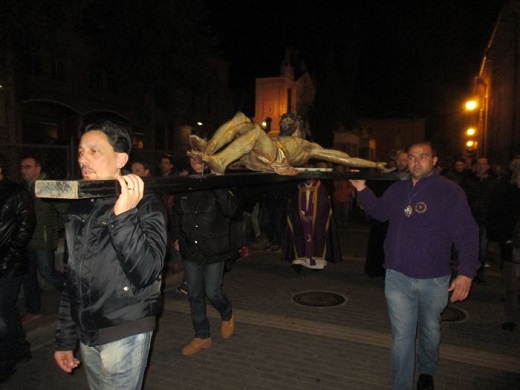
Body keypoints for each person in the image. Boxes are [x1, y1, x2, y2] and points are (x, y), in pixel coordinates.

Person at [349, 142, 479, 390]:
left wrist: (466, 273)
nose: (416, 162)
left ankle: (427, 370)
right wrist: (362, 189)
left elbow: (467, 233)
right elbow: (380, 212)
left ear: (434, 160)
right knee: (402, 337)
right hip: (397, 276)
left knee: (430, 330)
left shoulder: (450, 192)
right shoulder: (399, 189)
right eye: (411, 157)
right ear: (406, 161)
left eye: (423, 157)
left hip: (434, 278)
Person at [53, 119, 168, 389]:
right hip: (88, 330)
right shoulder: (80, 205)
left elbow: (147, 271)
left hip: (125, 327)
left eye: (95, 151)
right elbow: (73, 276)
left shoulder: (145, 204)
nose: (84, 158)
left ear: (120, 159)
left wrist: (125, 215)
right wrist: (65, 339)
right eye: (81, 151)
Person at [171, 157, 238, 356]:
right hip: (191, 247)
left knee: (212, 291)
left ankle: (226, 312)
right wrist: (177, 237)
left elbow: (231, 209)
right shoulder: (186, 182)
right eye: (191, 156)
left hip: (214, 247)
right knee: (194, 293)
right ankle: (202, 335)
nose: (195, 160)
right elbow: (176, 214)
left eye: (200, 156)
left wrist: (217, 181)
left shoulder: (220, 180)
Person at [187, 111, 392, 175]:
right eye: (282, 120)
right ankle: (210, 148)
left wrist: (374, 164)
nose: (284, 122)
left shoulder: (307, 145)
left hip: (276, 159)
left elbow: (344, 158)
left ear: (297, 124)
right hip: (254, 156)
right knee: (241, 118)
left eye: (288, 120)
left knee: (256, 131)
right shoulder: (275, 136)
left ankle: (220, 161)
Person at [0, 154, 36, 383]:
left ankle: (7, 359)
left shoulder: (15, 192)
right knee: (7, 310)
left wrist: (10, 256)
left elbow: (26, 226)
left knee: (2, 311)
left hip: (8, 263)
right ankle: (20, 348)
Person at [19, 155, 66, 324]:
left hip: (43, 239)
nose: (23, 170)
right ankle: (33, 309)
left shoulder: (48, 186)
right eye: (22, 167)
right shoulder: (25, 187)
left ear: (38, 169)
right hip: (27, 239)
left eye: (28, 167)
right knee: (28, 275)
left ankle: (73, 293)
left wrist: (55, 229)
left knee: (47, 272)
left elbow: (64, 210)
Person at [487, 157, 520, 331]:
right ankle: (511, 318)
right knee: (511, 287)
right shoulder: (506, 194)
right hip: (512, 247)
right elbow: (495, 218)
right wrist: (504, 239)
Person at [364, 150, 408, 278]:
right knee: (379, 243)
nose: (401, 163)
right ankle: (377, 270)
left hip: (401, 218)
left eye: (404, 160)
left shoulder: (413, 177)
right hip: (383, 217)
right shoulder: (387, 175)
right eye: (399, 160)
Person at [283, 173, 341, 271]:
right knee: (300, 238)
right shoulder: (299, 188)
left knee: (317, 238)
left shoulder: (321, 189)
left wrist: (313, 216)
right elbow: (293, 205)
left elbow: (324, 207)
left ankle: (317, 263)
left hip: (316, 222)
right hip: (301, 220)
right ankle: (301, 261)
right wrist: (300, 214)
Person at [460, 156, 497, 283]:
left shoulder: (493, 182)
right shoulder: (468, 180)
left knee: (482, 247)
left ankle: (479, 272)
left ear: (488, 166)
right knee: (469, 246)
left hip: (485, 219)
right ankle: (467, 271)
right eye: (479, 164)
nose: (481, 166)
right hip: (470, 217)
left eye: (484, 164)